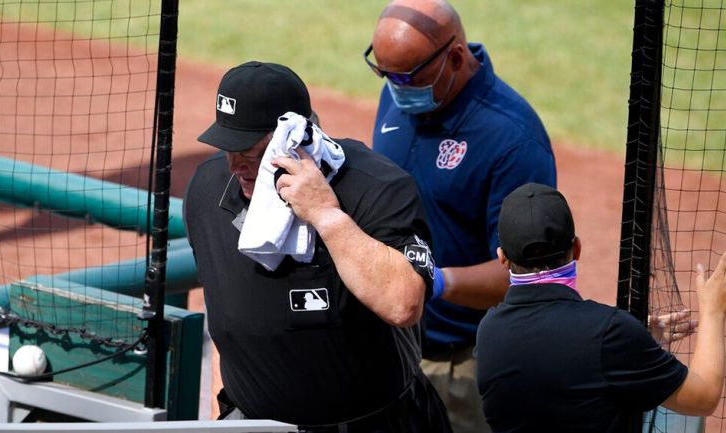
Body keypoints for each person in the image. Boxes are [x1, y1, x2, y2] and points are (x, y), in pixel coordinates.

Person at [184, 60, 451, 432]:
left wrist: (326, 215)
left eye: (252, 153)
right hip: (251, 422)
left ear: (297, 138)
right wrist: (224, 419)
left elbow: (404, 303)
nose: (235, 166)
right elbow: (225, 316)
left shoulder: (375, 187)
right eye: (228, 147)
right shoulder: (208, 192)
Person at [365, 1, 555, 431]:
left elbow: (525, 276)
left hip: (462, 367)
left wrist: (431, 282)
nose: (394, 88)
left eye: (406, 77)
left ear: (454, 57)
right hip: (388, 352)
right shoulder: (400, 95)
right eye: (384, 74)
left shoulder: (513, 141)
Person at [476, 182, 726, 432]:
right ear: (577, 248)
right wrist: (713, 308)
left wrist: (630, 344)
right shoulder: (609, 333)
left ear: (502, 257)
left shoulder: (488, 332)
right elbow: (703, 398)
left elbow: (556, 358)